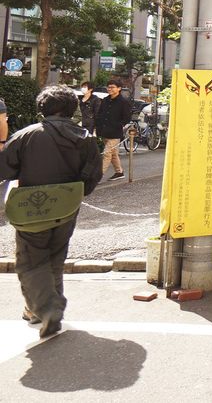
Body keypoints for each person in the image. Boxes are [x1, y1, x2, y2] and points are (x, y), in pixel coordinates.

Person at [0, 85, 103, 338]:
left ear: (42, 108)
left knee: (30, 260)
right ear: (73, 108)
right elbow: (94, 174)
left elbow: (4, 170)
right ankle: (38, 308)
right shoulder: (86, 138)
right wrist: (77, 193)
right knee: (55, 257)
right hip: (67, 206)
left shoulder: (27, 135)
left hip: (31, 207)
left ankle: (46, 309)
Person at [95, 79, 132, 182]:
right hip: (104, 131)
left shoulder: (124, 102)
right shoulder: (105, 100)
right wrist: (98, 126)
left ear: (119, 89)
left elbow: (127, 117)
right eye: (108, 87)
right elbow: (100, 114)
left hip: (115, 132)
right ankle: (119, 172)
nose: (109, 89)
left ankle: (97, 176)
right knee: (113, 153)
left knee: (107, 153)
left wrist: (118, 125)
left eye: (112, 87)